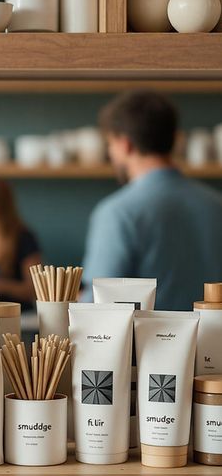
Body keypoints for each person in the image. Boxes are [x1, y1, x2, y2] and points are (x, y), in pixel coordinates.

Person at [83, 89, 222, 311]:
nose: (110, 153)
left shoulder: (117, 213)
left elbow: (97, 307)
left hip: (148, 344)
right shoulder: (216, 205)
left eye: (110, 143)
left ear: (125, 144)